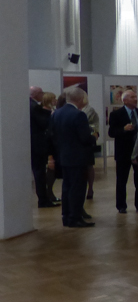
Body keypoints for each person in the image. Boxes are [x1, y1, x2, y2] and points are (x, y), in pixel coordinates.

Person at [51, 87, 97, 228]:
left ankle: (66, 216)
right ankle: (75, 217)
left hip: (63, 156)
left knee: (67, 187)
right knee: (77, 188)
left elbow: (52, 136)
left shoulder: (56, 113)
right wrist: (94, 137)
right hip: (78, 157)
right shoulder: (79, 115)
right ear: (80, 99)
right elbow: (84, 138)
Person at [108, 90, 138, 213]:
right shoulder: (116, 114)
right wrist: (123, 129)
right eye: (132, 97)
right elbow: (111, 132)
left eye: (136, 96)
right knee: (122, 180)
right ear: (124, 100)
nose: (135, 99)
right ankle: (121, 205)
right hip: (123, 152)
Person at [30, 86, 59, 208]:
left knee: (39, 171)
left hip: (34, 144)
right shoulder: (35, 107)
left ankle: (44, 198)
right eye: (41, 93)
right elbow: (43, 123)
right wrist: (50, 114)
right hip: (38, 144)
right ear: (36, 94)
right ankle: (43, 199)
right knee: (40, 172)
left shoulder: (29, 105)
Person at [82, 98, 100, 201]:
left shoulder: (89, 110)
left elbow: (85, 121)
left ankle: (90, 189)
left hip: (88, 140)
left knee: (89, 165)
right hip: (81, 142)